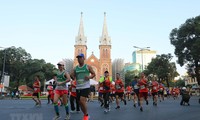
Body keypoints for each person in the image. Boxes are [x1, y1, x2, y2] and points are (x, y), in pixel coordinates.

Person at [71, 53, 96, 120]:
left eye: (80, 57)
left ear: (83, 58)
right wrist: (72, 76)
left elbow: (94, 74)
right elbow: (72, 76)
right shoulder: (76, 68)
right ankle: (85, 114)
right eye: (78, 58)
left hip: (85, 86)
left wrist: (89, 77)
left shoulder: (87, 66)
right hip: (78, 87)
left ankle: (86, 115)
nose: (79, 59)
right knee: (80, 103)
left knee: (82, 100)